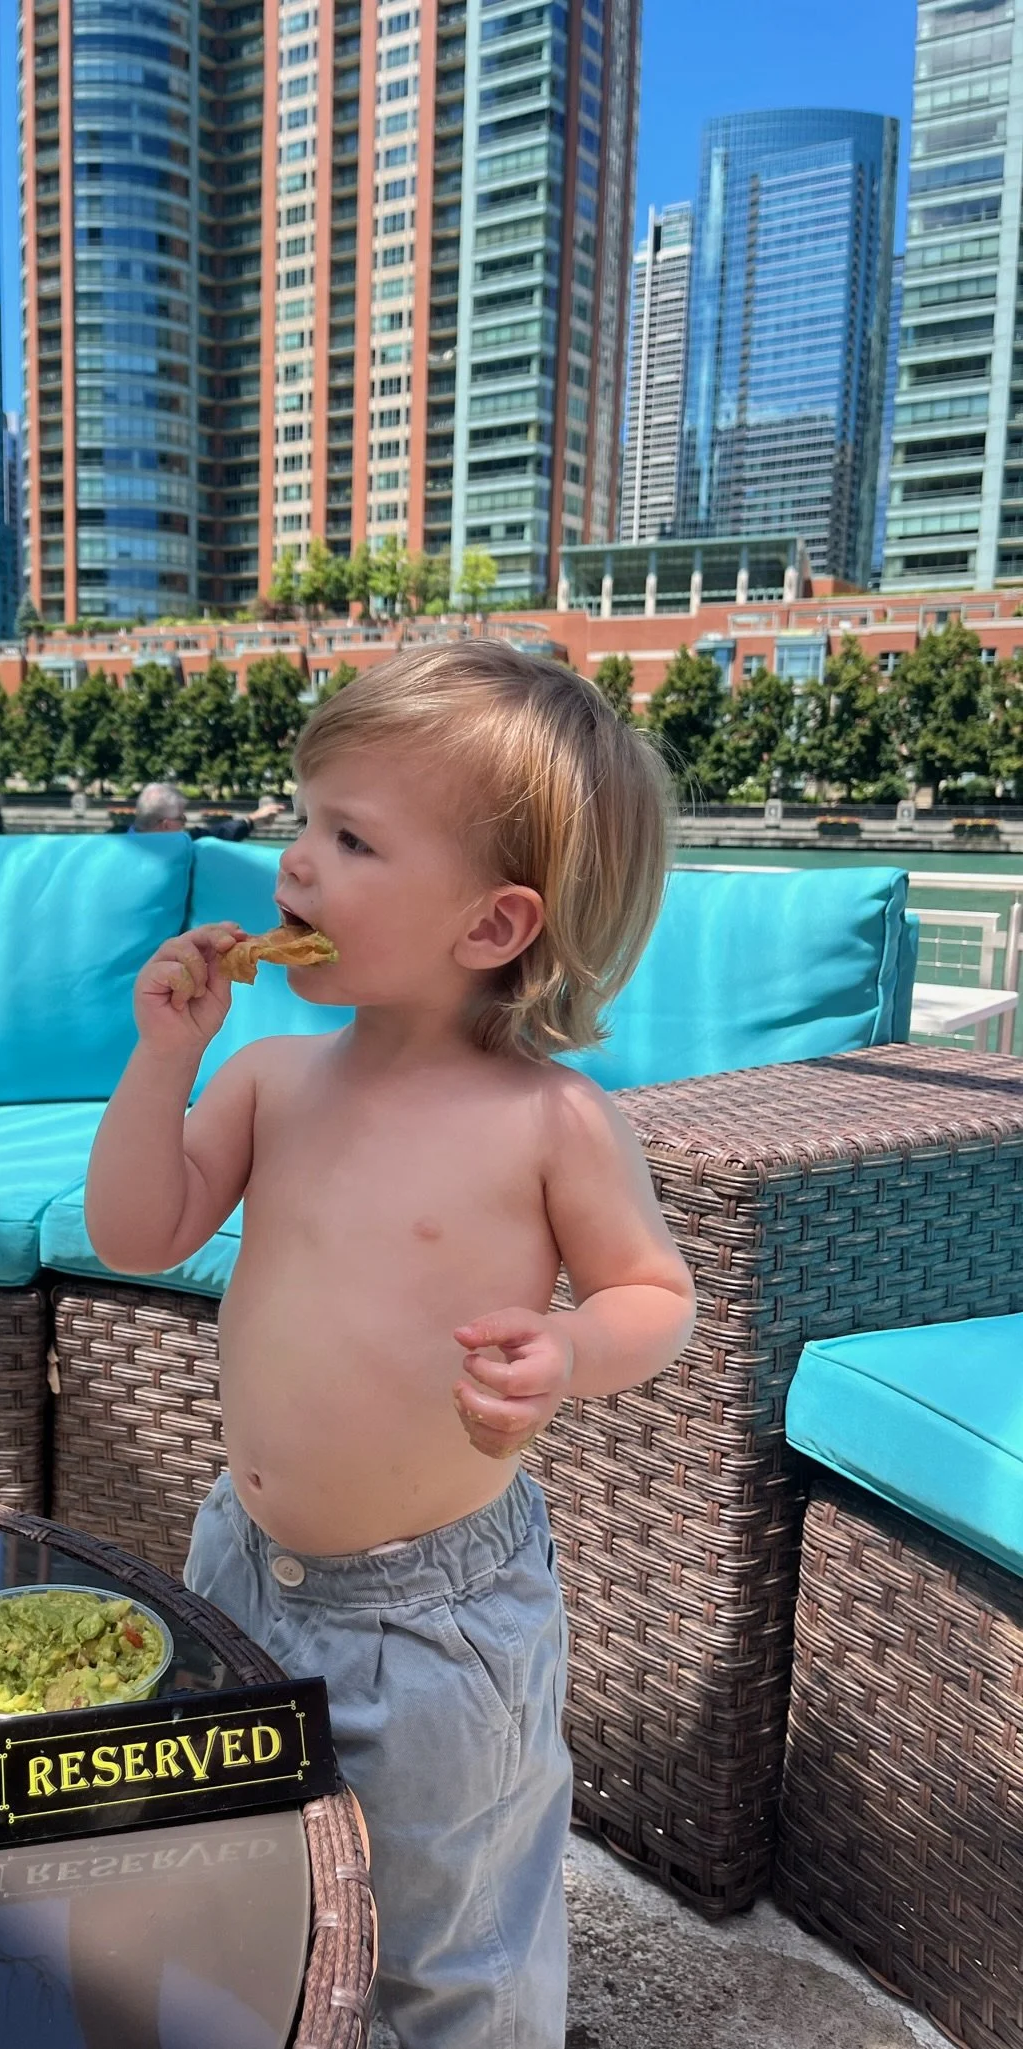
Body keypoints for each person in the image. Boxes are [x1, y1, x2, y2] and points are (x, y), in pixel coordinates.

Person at [84, 644, 696, 2049]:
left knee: (447, 1933)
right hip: (238, 1563)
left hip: (434, 1630)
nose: (296, 865)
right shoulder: (272, 1078)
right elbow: (137, 1228)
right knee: (247, 1876)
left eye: (351, 837)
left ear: (491, 925)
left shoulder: (551, 1122)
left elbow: (656, 1295)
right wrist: (163, 1058)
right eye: (305, 820)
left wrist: (570, 1349)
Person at [131, 783, 286, 839]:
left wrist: (252, 819)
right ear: (165, 825)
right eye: (181, 819)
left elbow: (218, 832)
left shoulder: (110, 841)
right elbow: (218, 835)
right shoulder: (180, 847)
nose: (185, 823)